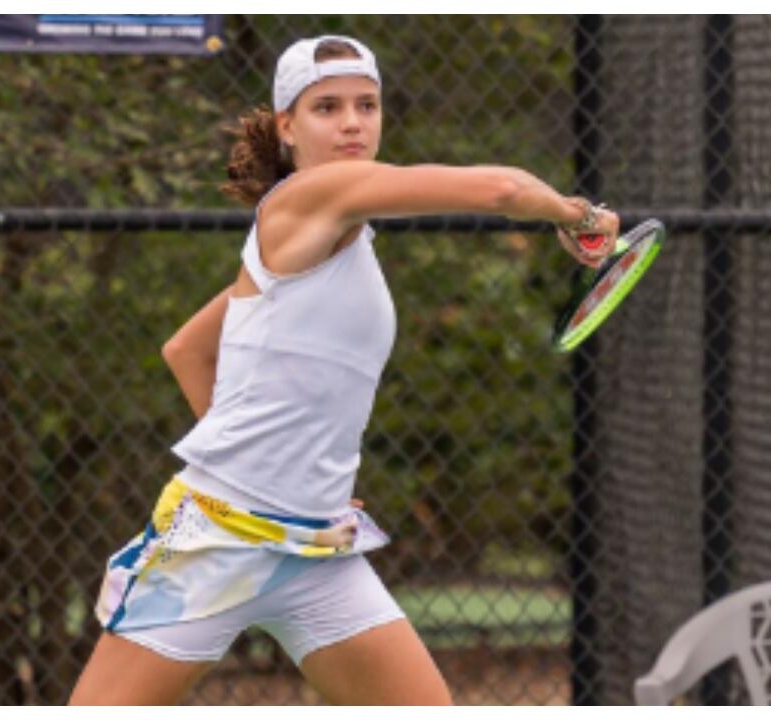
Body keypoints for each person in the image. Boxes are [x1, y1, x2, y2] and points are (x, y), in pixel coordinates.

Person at [68, 34, 619, 706]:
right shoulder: (310, 197)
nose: (353, 122)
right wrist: (579, 215)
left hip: (315, 545)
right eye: (327, 107)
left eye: (367, 103)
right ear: (288, 128)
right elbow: (502, 187)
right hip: (215, 538)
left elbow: (186, 349)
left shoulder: (321, 243)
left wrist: (287, 474)